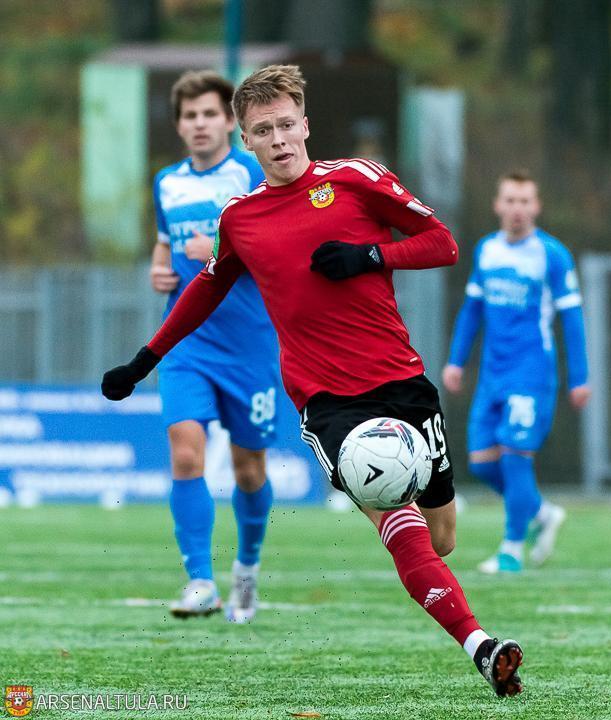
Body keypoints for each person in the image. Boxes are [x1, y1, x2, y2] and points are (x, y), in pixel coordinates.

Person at [102, 64, 523, 697]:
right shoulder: (240, 217)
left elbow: (442, 244)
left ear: (305, 124)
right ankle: (481, 646)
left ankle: (452, 605)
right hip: (327, 402)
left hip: (402, 380)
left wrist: (371, 255)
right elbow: (207, 288)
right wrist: (145, 359)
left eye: (285, 125)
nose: (277, 139)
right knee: (395, 520)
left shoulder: (357, 180)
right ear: (247, 141)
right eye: (262, 130)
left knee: (442, 538)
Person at [151, 70, 277, 623]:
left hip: (249, 345)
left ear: (229, 122)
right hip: (187, 342)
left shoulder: (250, 173)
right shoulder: (167, 183)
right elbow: (165, 245)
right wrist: (159, 268)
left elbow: (277, 245)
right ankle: (200, 581)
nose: (199, 124)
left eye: (209, 114)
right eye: (189, 116)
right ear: (179, 126)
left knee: (249, 469)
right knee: (185, 453)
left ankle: (246, 568)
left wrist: (223, 245)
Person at [442, 171, 588, 574]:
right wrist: (456, 361)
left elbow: (572, 319)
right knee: (482, 462)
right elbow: (472, 311)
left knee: (515, 457)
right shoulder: (487, 250)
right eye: (510, 200)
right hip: (492, 374)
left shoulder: (552, 255)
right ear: (498, 205)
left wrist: (580, 377)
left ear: (536, 207)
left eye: (524, 201)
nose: (517, 209)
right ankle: (542, 513)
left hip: (531, 372)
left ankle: (510, 551)